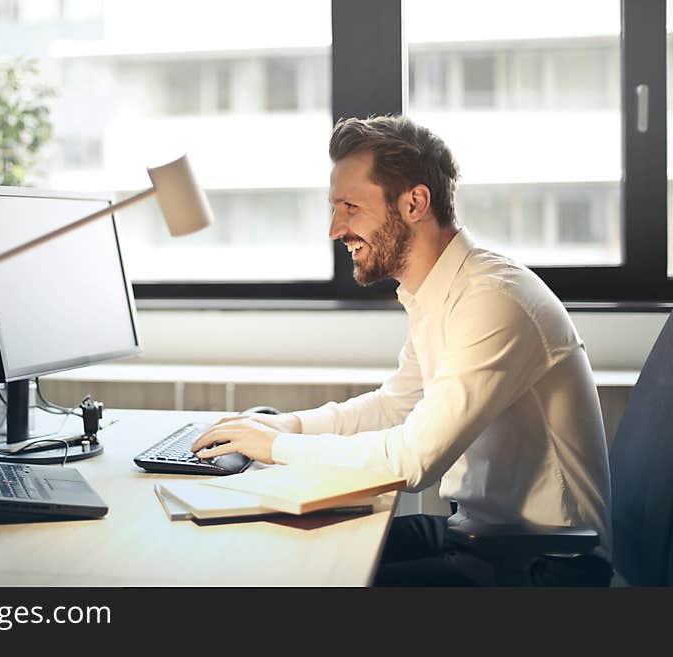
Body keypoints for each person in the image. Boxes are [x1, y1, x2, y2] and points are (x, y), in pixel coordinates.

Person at [191, 115, 613, 586]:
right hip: (479, 539)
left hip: (544, 567)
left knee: (308, 578)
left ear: (415, 203)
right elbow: (396, 407)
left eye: (350, 206)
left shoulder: (493, 301)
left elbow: (413, 460)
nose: (335, 229)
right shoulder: (440, 292)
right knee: (283, 551)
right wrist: (289, 425)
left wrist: (277, 447)